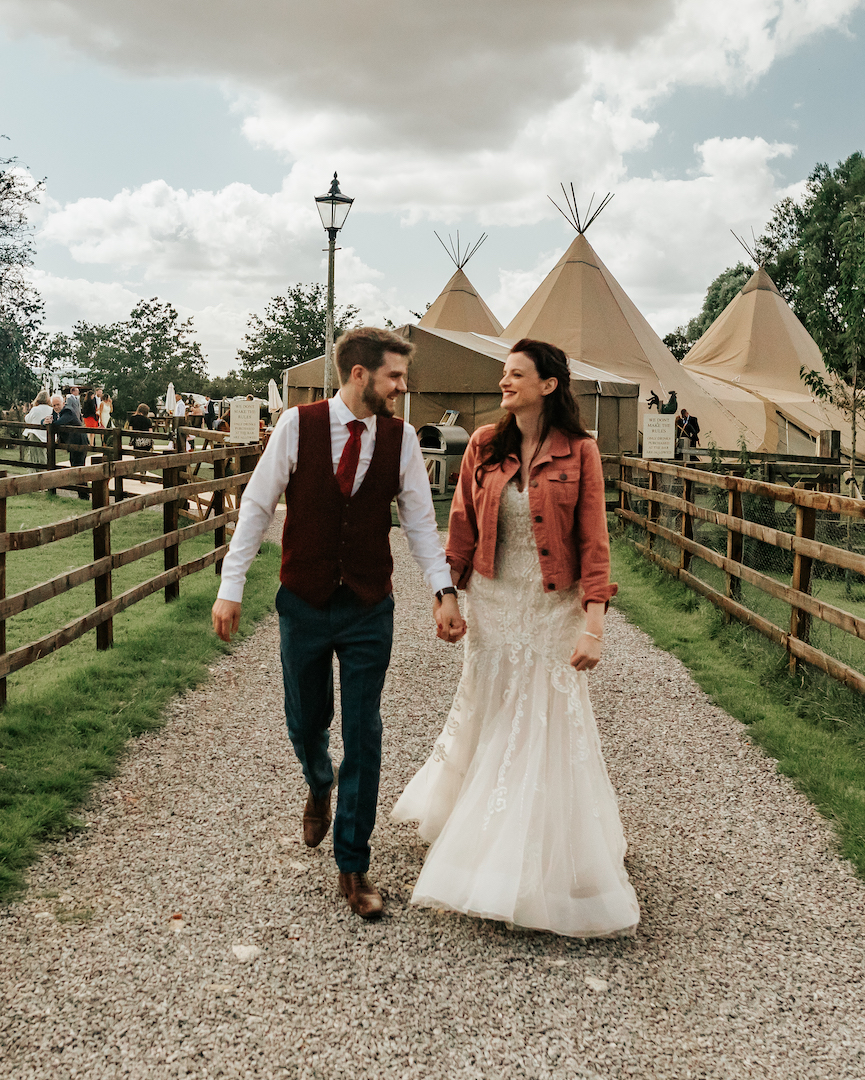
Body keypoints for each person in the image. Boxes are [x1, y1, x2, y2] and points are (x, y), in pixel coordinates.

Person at [211, 327, 465, 920]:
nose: (403, 388)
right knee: (305, 718)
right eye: (395, 377)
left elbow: (422, 524)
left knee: (365, 729)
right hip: (303, 599)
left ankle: (353, 863)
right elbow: (257, 505)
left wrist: (442, 590)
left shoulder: (402, 441)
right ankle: (317, 778)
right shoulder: (298, 426)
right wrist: (232, 587)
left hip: (368, 606)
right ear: (359, 375)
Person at [392, 338, 640, 939]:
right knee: (493, 708)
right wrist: (445, 595)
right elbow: (460, 527)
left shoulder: (581, 451)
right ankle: (474, 825)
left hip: (551, 605)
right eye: (503, 374)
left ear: (548, 385)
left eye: (516, 374)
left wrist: (594, 627)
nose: (505, 382)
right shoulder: (483, 445)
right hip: (496, 600)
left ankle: (528, 853)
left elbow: (594, 543)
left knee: (540, 720)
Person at [24, 391, 53, 465]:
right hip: (48, 435)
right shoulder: (51, 409)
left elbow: (27, 420)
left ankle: (36, 471)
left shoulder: (35, 409)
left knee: (34, 456)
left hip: (35, 435)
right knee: (46, 454)